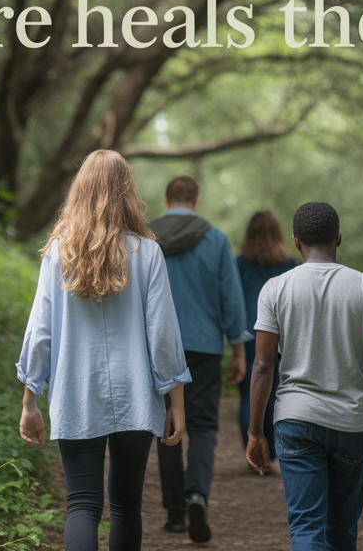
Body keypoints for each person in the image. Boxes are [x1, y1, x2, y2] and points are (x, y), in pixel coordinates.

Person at [16, 150, 191, 551]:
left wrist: (30, 401)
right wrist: (176, 402)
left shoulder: (59, 252)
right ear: (128, 192)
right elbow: (163, 334)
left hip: (75, 390)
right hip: (135, 394)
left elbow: (40, 331)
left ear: (79, 190)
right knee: (127, 506)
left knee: (81, 504)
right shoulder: (147, 252)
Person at [245, 201, 363, 551]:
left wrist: (255, 431)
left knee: (306, 528)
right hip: (351, 423)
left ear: (296, 242)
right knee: (342, 533)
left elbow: (263, 366)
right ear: (338, 238)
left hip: (295, 420)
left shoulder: (275, 289)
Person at [147, 176, 251, 543]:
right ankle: (196, 494)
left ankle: (176, 514)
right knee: (204, 425)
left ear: (166, 199)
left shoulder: (145, 238)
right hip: (205, 346)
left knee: (166, 427)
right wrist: (238, 349)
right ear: (196, 199)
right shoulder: (216, 239)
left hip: (157, 347)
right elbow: (231, 297)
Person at [235, 210, 295, 464]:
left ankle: (255, 450)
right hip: (281, 334)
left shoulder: (240, 264)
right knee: (276, 393)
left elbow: (235, 302)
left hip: (250, 334)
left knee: (250, 394)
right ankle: (270, 451)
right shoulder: (289, 264)